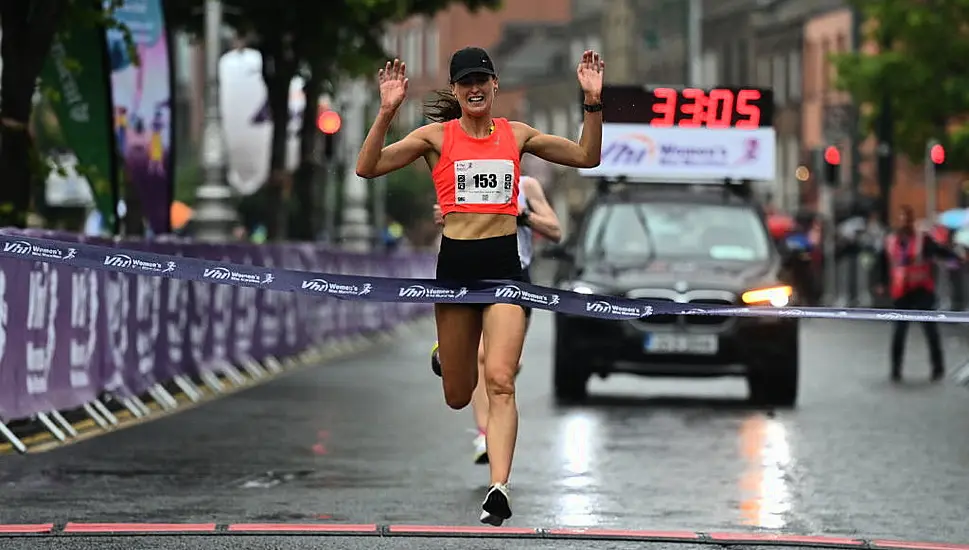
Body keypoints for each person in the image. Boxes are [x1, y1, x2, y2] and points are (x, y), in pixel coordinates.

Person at [355, 47, 603, 525]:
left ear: (494, 85)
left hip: (505, 273)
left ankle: (498, 486)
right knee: (458, 392)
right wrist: (387, 111)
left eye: (481, 80)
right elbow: (368, 168)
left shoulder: (517, 134)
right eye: (465, 82)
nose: (474, 88)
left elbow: (586, 156)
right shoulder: (434, 137)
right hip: (455, 274)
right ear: (455, 90)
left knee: (501, 380)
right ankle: (447, 356)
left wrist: (592, 102)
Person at [430, 174, 563, 465]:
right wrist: (446, 217)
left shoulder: (527, 186)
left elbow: (555, 230)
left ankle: (495, 426)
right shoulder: (463, 178)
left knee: (504, 367)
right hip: (472, 278)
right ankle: (484, 433)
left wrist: (523, 215)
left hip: (514, 279)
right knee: (479, 357)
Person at [875, 205, 962, 382]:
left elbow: (939, 251)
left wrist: (956, 257)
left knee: (930, 329)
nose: (903, 222)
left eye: (906, 218)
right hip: (901, 291)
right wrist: (881, 282)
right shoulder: (891, 240)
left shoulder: (923, 239)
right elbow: (883, 262)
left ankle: (937, 368)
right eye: (900, 218)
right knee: (899, 331)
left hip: (921, 289)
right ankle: (896, 369)